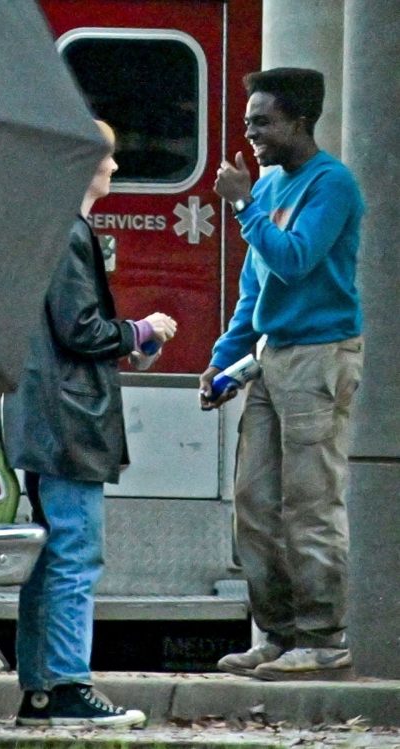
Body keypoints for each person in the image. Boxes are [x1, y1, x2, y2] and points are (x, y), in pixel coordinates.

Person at [3, 120, 177, 726]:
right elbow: (80, 330)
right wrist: (140, 330)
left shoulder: (46, 230)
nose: (116, 170)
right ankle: (69, 685)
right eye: (108, 160)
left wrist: (129, 339)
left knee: (50, 559)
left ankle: (42, 692)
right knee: (76, 556)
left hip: (45, 418)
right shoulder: (68, 232)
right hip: (69, 422)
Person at [199, 68, 364, 680]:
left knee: (310, 503)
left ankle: (323, 638)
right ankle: (278, 635)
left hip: (321, 357)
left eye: (262, 120)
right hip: (270, 358)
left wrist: (242, 205)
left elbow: (295, 263)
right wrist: (222, 357)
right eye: (248, 121)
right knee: (254, 504)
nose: (251, 130)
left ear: (300, 120)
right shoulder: (269, 189)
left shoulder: (333, 185)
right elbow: (256, 289)